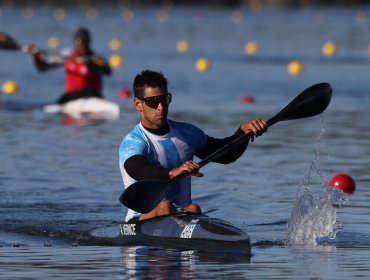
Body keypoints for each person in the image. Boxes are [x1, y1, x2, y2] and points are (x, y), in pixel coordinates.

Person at [119, 70, 268, 222]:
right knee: (165, 206)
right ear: (138, 104)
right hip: (140, 220)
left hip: (182, 216)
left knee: (193, 208)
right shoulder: (134, 141)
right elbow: (138, 169)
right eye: (152, 101)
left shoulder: (187, 133)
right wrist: (173, 172)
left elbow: (225, 154)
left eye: (164, 99)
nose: (160, 107)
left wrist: (243, 132)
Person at [25, 27, 111, 104]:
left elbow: (108, 72)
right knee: (63, 98)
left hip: (92, 96)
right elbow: (43, 67)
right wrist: (36, 57)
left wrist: (89, 63)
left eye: (85, 42)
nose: (82, 45)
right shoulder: (68, 55)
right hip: (72, 97)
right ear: (75, 43)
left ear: (89, 42)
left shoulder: (96, 58)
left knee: (87, 90)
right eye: (79, 42)